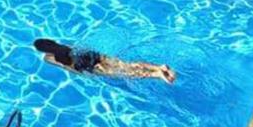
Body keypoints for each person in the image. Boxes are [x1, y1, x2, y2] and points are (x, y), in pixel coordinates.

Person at [34, 38, 176, 84]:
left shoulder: (48, 58)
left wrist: (82, 74)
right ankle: (159, 67)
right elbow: (78, 49)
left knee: (124, 73)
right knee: (127, 65)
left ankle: (157, 75)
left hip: (86, 65)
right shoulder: (62, 45)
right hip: (94, 56)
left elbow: (66, 67)